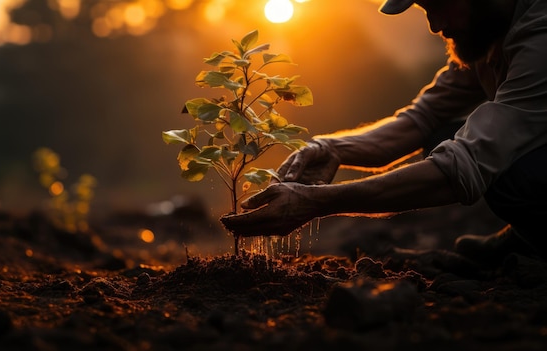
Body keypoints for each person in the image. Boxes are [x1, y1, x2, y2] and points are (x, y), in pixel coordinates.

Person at [220, 0, 547, 265]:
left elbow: (464, 165)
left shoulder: (539, 34)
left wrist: (315, 202)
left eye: (437, 4)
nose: (434, 25)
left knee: (510, 169)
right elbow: (423, 117)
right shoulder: (487, 33)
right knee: (442, 134)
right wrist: (330, 148)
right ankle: (527, 237)